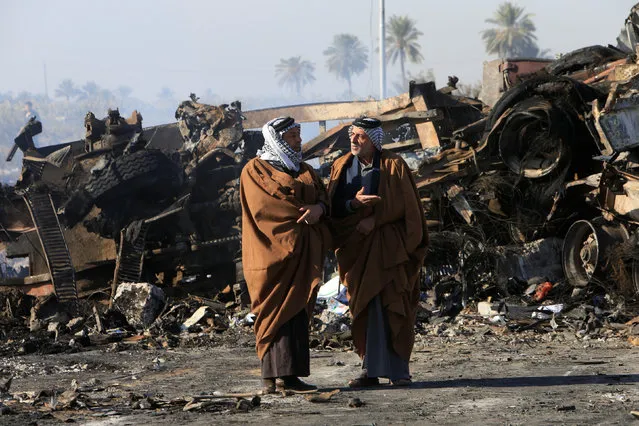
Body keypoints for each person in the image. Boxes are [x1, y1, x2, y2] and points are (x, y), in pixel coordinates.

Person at [328, 117, 428, 387]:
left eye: (361, 136)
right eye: (353, 135)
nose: (354, 140)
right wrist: (353, 205)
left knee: (394, 305)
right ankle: (369, 370)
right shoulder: (341, 166)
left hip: (389, 251)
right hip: (357, 251)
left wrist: (377, 219)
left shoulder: (393, 166)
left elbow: (409, 210)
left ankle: (399, 371)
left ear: (374, 140)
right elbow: (333, 208)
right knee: (364, 308)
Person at [240, 116, 331, 393]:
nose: (298, 141)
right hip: (271, 253)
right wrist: (303, 213)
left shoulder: (304, 170)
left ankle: (289, 377)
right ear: (277, 139)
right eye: (292, 136)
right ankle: (273, 377)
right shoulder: (254, 170)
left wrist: (320, 210)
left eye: (298, 135)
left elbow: (322, 199)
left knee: (297, 310)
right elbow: (265, 208)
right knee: (273, 311)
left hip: (301, 255)